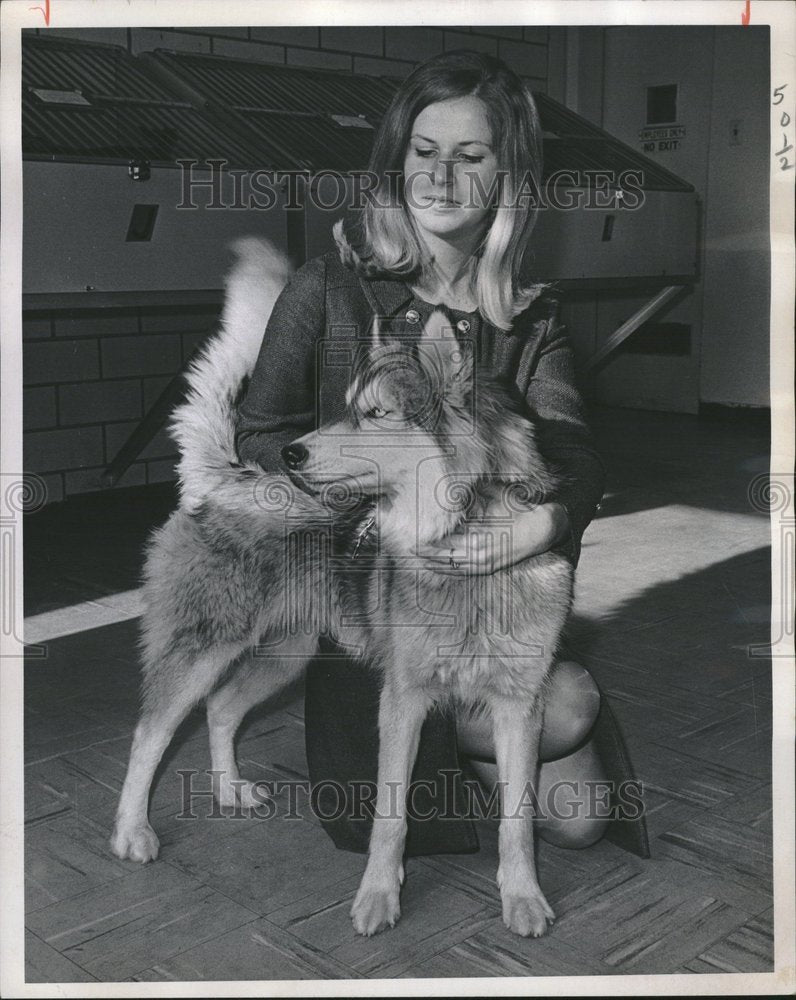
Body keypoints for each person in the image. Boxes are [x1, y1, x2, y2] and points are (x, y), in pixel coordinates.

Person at [236, 50, 645, 856]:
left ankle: (483, 746)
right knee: (390, 806)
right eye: (423, 153)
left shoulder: (529, 318)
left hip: (493, 607)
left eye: (471, 157)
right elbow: (258, 434)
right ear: (397, 162)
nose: (440, 179)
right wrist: (383, 485)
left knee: (581, 813)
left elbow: (577, 452)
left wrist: (546, 523)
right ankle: (431, 762)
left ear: (507, 176)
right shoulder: (328, 288)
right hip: (380, 614)